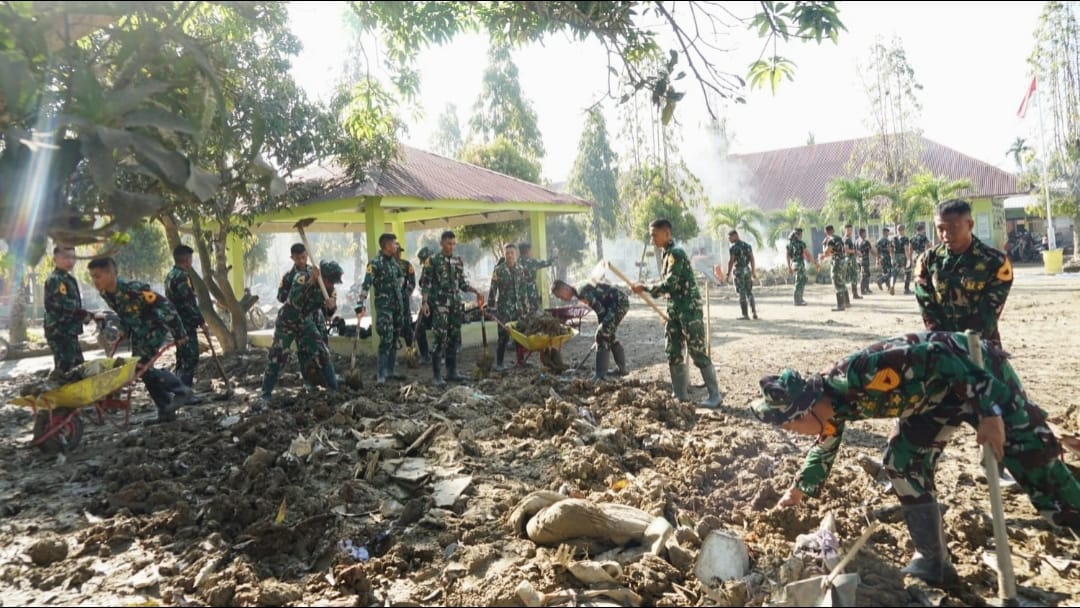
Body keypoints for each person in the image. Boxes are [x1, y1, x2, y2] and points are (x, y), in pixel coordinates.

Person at [749, 331, 1080, 585]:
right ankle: (933, 561)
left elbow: (945, 354)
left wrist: (990, 413)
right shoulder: (830, 405)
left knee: (1036, 464)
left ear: (803, 412)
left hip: (977, 377)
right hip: (932, 401)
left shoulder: (862, 372)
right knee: (902, 463)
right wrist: (795, 494)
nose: (794, 432)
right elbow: (823, 449)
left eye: (790, 426)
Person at [88, 257, 194, 424]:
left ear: (111, 274)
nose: (94, 281)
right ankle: (166, 411)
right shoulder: (106, 294)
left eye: (97, 276)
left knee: (142, 367)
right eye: (92, 277)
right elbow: (124, 314)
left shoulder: (133, 290)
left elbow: (165, 305)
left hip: (153, 329)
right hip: (138, 333)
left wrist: (179, 333)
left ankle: (181, 390)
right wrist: (123, 331)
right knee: (141, 371)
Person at [631, 218, 722, 408]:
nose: (652, 239)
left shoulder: (676, 254)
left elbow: (670, 284)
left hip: (688, 310)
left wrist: (645, 288)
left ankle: (715, 395)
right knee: (673, 351)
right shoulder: (666, 255)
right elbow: (671, 290)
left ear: (667, 234)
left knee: (697, 352)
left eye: (655, 235)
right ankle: (680, 395)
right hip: (675, 310)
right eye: (651, 236)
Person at [915, 199, 1013, 348]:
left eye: (954, 228)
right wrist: (941, 341)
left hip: (980, 346)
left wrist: (964, 344)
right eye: (940, 228)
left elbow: (988, 313)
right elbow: (927, 308)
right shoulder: (927, 261)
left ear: (970, 225)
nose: (946, 234)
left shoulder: (995, 262)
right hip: (941, 345)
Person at [258, 261, 342, 410]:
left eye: (333, 282)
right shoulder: (301, 277)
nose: (332, 285)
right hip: (287, 321)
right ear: (323, 277)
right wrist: (311, 282)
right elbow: (295, 301)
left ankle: (334, 390)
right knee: (277, 358)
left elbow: (329, 312)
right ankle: (265, 395)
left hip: (304, 321)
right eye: (329, 281)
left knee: (322, 352)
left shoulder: (329, 290)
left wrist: (332, 306)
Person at [420, 231, 484, 387]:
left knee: (454, 338)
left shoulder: (458, 261)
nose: (451, 246)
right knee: (440, 339)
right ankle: (436, 376)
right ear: (442, 243)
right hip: (440, 305)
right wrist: (425, 302)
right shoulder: (432, 261)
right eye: (449, 243)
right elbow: (425, 284)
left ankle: (451, 372)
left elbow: (461, 283)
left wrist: (475, 291)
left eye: (454, 244)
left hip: (456, 305)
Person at [552, 279, 629, 381]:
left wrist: (600, 335)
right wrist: (603, 328)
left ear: (564, 288)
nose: (562, 299)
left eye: (560, 296)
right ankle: (621, 370)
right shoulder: (578, 290)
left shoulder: (580, 292)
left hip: (618, 302)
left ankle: (601, 375)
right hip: (615, 303)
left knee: (602, 335)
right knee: (608, 335)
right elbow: (600, 310)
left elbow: (599, 309)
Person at [356, 234, 405, 385]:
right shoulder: (375, 263)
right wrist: (360, 302)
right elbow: (366, 284)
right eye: (394, 244)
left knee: (395, 336)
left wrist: (398, 287)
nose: (396, 246)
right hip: (384, 308)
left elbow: (401, 276)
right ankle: (381, 373)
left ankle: (390, 370)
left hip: (397, 306)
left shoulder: (393, 263)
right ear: (386, 245)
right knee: (386, 338)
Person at [164, 245, 206, 396]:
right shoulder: (182, 277)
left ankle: (179, 390)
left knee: (181, 358)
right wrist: (201, 321)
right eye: (191, 258)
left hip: (176, 324)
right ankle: (185, 394)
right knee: (190, 357)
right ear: (187, 260)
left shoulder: (170, 275)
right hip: (185, 324)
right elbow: (188, 303)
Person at [44, 245, 91, 378]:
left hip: (68, 331)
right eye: (65, 258)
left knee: (77, 367)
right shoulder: (55, 279)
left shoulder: (67, 279)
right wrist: (88, 315)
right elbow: (64, 306)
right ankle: (62, 397)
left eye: (73, 257)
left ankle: (75, 397)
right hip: (59, 331)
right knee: (66, 369)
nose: (70, 261)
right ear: (55, 259)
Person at [488, 243, 529, 371]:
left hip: (518, 309)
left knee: (519, 336)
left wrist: (525, 307)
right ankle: (499, 363)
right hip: (504, 309)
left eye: (512, 253)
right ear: (504, 255)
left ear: (516, 254)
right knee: (503, 336)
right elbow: (493, 289)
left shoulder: (520, 269)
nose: (509, 255)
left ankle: (520, 361)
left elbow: (523, 290)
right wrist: (490, 307)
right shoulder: (499, 270)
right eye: (507, 253)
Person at [394, 242, 417, 378]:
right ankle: (393, 359)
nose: (398, 253)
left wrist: (407, 293)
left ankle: (410, 354)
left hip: (404, 302)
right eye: (396, 251)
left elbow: (413, 282)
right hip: (390, 303)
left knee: (407, 327)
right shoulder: (386, 266)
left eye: (400, 251)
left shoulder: (407, 265)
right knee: (392, 330)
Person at [726, 230, 758, 320]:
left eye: (730, 237)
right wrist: (753, 271)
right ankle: (754, 312)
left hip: (739, 271)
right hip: (747, 270)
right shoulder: (747, 246)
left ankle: (745, 315)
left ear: (735, 236)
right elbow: (752, 259)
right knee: (749, 291)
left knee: (742, 292)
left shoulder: (734, 248)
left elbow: (731, 261)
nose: (729, 239)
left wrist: (728, 273)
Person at [518, 242, 556, 314]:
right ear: (527, 251)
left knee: (522, 312)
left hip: (519, 292)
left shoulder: (516, 262)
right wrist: (554, 255)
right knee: (533, 312)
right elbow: (548, 263)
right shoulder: (532, 262)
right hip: (531, 292)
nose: (531, 253)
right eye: (530, 250)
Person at [818, 225, 847, 311]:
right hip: (842, 261)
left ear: (826, 232)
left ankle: (840, 305)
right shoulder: (839, 238)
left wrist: (823, 248)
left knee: (836, 283)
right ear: (833, 230)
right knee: (841, 282)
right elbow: (839, 250)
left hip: (837, 263)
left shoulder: (830, 240)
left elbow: (827, 252)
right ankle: (846, 303)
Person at [413, 247, 434, 364]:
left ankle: (441, 355)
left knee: (441, 329)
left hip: (439, 304)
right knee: (419, 326)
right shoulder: (426, 268)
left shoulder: (439, 266)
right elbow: (422, 282)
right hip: (428, 303)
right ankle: (425, 355)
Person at [785, 228, 815, 306]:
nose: (801, 236)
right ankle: (797, 300)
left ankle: (799, 299)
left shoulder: (789, 244)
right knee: (799, 282)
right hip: (800, 264)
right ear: (798, 235)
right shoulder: (801, 243)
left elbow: (787, 257)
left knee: (802, 280)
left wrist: (789, 267)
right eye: (801, 234)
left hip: (794, 264)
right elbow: (808, 254)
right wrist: (815, 263)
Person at [893, 224, 914, 295]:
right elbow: (906, 249)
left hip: (896, 256)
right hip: (903, 256)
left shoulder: (894, 238)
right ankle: (906, 289)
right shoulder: (905, 238)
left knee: (895, 273)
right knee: (908, 272)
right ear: (903, 230)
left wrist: (892, 257)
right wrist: (909, 260)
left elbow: (890, 249)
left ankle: (891, 287)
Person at [856, 228, 877, 296]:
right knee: (864, 275)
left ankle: (867, 288)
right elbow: (871, 251)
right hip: (864, 260)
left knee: (866, 274)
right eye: (864, 233)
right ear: (862, 233)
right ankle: (863, 290)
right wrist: (877, 256)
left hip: (858, 260)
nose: (865, 234)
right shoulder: (865, 242)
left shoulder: (856, 241)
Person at [843, 224, 861, 300]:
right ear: (845, 230)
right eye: (848, 230)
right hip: (850, 259)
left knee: (853, 276)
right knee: (853, 276)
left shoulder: (848, 238)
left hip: (850, 259)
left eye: (851, 230)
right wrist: (855, 251)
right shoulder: (846, 239)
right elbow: (846, 250)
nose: (850, 231)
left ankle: (855, 293)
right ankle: (854, 294)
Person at [875, 227, 895, 294]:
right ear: (884, 232)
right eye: (887, 232)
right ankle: (880, 280)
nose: (887, 234)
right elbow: (890, 250)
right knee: (889, 272)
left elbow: (877, 251)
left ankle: (888, 287)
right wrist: (892, 257)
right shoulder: (887, 241)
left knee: (885, 272)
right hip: (887, 257)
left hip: (881, 257)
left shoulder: (878, 240)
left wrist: (877, 259)